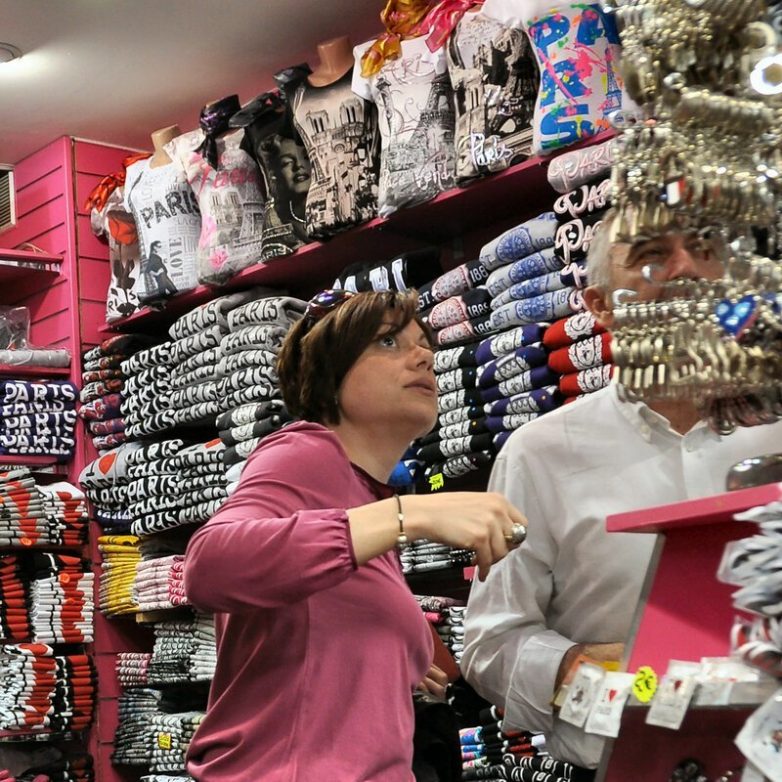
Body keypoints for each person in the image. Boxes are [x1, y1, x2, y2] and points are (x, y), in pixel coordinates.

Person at [461, 210, 782, 771]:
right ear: (601, 306)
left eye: (704, 251)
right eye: (651, 254)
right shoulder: (540, 455)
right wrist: (575, 669)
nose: (685, 270)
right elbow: (491, 643)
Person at [182, 289, 527, 782]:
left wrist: (392, 661)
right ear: (329, 375)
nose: (424, 356)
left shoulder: (363, 497)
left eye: (424, 344)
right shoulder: (306, 452)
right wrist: (406, 515)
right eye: (388, 342)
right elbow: (209, 567)